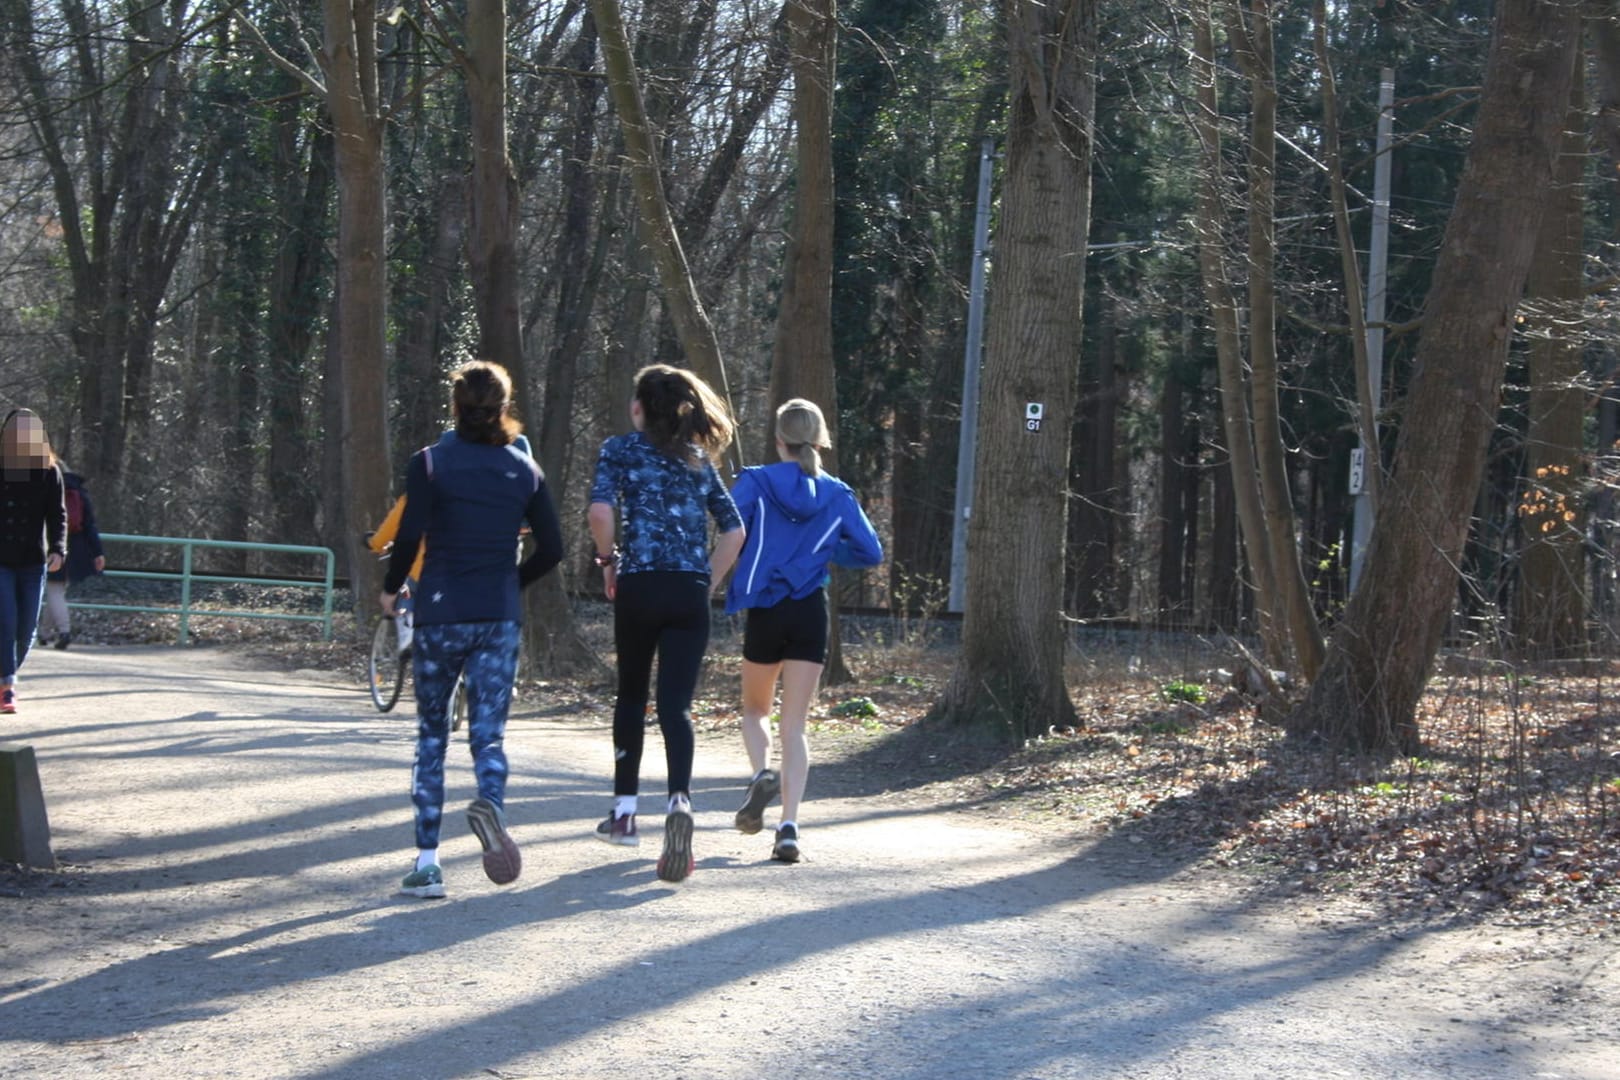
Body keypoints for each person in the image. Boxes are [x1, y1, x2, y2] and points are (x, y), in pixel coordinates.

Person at [381, 361, 564, 899]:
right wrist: (512, 583)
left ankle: (428, 864)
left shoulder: (431, 465)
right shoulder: (524, 470)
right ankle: (492, 808)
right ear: (505, 409)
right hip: (497, 615)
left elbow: (412, 533)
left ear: (455, 407)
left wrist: (392, 588)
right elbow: (552, 549)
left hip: (440, 611)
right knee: (489, 735)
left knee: (432, 735)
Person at [587, 364, 745, 883]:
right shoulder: (698, 460)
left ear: (639, 407)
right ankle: (680, 802)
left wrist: (608, 562)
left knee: (632, 696)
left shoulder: (620, 450)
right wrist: (707, 581)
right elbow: (733, 530)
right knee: (676, 707)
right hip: (687, 591)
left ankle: (626, 813)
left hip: (639, 586)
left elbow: (600, 514)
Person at [725, 398, 883, 863]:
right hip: (811, 609)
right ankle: (789, 828)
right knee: (795, 725)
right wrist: (829, 550)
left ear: (779, 439)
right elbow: (871, 552)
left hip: (766, 608)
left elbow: (729, 526)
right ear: (819, 440)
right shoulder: (837, 493)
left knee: (755, 710)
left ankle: (760, 775)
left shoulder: (754, 481)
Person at [0, 409, 66, 715]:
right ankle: (7, 686)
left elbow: (58, 515)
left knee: (26, 630)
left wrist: (58, 548)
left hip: (32, 560)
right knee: (6, 620)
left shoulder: (49, 471)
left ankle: (5, 675)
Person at [38, 463, 105, 650]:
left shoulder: (47, 487)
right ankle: (44, 633)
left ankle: (64, 631)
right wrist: (98, 552)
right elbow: (90, 525)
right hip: (78, 548)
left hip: (54, 545)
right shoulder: (79, 492)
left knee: (54, 591)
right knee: (57, 591)